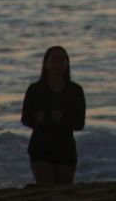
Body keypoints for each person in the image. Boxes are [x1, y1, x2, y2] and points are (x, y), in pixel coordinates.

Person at [21, 46, 86, 185]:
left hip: (65, 147)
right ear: (46, 64)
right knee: (47, 190)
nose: (58, 64)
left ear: (67, 64)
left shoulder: (75, 90)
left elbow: (80, 123)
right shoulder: (35, 89)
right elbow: (25, 118)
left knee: (63, 192)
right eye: (53, 59)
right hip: (40, 146)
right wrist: (36, 119)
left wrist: (63, 118)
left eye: (62, 60)